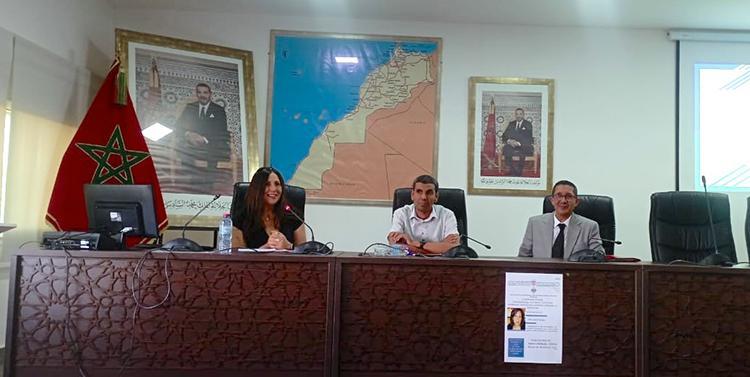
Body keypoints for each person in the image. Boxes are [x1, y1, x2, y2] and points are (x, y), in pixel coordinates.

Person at [518, 180, 604, 259]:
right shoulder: (535, 224)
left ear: (576, 202)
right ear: (552, 200)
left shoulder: (590, 227)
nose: (563, 201)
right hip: (542, 274)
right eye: (559, 195)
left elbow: (598, 257)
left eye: (568, 196)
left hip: (575, 274)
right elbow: (523, 257)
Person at [175, 83, 231, 192]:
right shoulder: (190, 108)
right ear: (196, 94)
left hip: (210, 142)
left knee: (215, 149)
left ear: (210, 94)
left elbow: (222, 130)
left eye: (205, 92)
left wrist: (204, 139)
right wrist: (188, 134)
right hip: (191, 142)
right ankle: (193, 179)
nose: (202, 95)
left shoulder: (218, 110)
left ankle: (208, 182)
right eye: (199, 92)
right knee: (182, 148)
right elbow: (178, 126)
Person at [232, 167, 306, 249]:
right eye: (267, 184)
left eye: (277, 184)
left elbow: (304, 254)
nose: (273, 189)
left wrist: (288, 246)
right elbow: (238, 257)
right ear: (257, 189)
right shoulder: (241, 218)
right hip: (256, 262)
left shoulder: (293, 215)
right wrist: (266, 247)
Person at [387, 175, 460, 255]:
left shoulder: (447, 215)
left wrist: (413, 243)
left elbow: (453, 248)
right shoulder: (401, 213)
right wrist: (439, 247)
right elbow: (396, 246)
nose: (424, 197)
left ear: (436, 196)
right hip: (408, 265)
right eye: (419, 191)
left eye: (429, 193)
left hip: (441, 265)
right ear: (412, 195)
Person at [501, 108, 534, 176]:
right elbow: (504, 136)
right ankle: (512, 170)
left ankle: (519, 171)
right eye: (517, 114)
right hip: (512, 145)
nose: (518, 116)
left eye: (520, 114)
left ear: (523, 115)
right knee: (506, 148)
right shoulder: (511, 124)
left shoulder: (528, 124)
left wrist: (518, 143)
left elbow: (528, 138)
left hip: (523, 145)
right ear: (515, 115)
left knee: (523, 150)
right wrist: (509, 141)